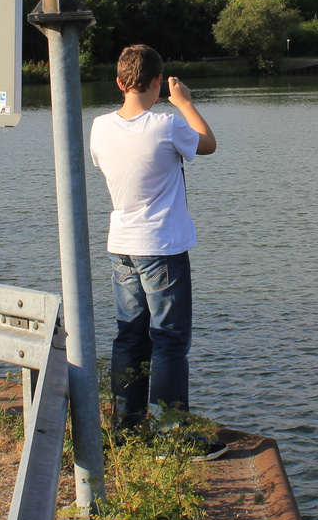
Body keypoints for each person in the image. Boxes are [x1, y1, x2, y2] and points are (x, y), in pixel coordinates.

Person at [89, 44, 224, 458]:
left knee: (129, 338)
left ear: (119, 82)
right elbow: (208, 143)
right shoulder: (165, 125)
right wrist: (184, 101)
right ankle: (171, 437)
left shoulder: (99, 126)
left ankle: (127, 429)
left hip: (121, 249)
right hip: (162, 249)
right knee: (168, 342)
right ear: (154, 83)